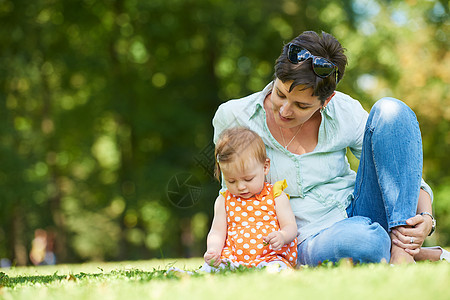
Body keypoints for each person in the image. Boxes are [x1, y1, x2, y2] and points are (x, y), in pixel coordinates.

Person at [212, 30, 447, 265]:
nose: (284, 110)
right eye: (280, 94)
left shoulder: (344, 111)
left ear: (326, 100)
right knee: (364, 241)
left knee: (392, 111)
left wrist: (426, 216)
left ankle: (402, 254)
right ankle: (399, 250)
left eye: (301, 106)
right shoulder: (234, 116)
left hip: (358, 208)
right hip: (306, 236)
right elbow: (232, 195)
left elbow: (396, 165)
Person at [202, 127, 298, 271]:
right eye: (231, 181)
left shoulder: (275, 195)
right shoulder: (224, 200)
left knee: (277, 269)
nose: (240, 187)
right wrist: (213, 250)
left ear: (265, 167)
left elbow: (290, 226)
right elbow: (217, 232)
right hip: (232, 258)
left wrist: (282, 236)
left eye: (248, 179)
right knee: (210, 269)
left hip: (270, 257)